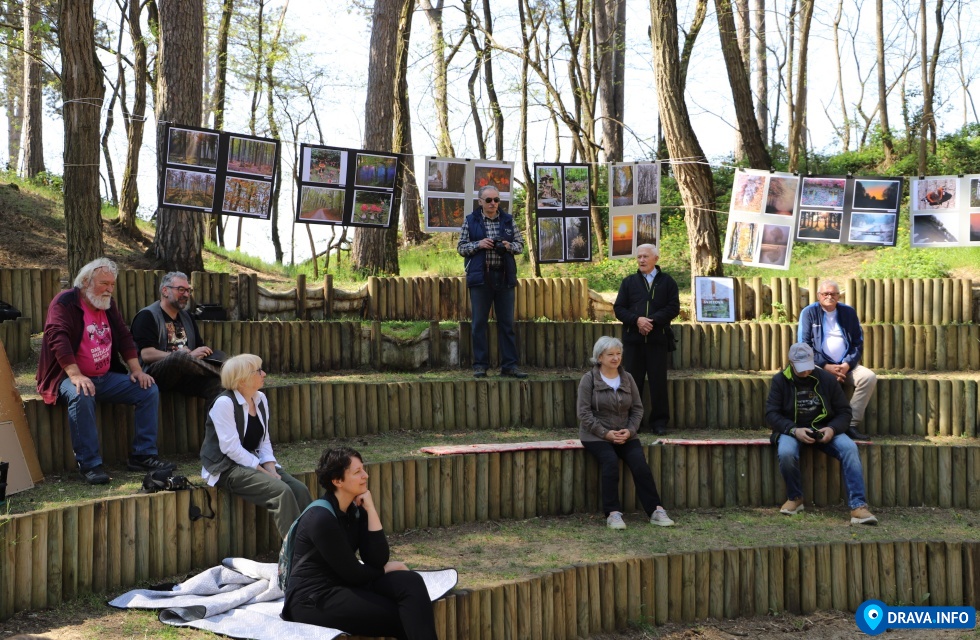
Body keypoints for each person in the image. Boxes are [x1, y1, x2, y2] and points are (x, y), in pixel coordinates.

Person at [36, 258, 175, 485]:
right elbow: (58, 339)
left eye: (112, 284)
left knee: (147, 389)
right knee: (81, 393)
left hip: (104, 377)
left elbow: (124, 336)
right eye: (104, 283)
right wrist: (76, 375)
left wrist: (137, 370)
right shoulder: (64, 302)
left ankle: (143, 455)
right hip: (65, 376)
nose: (109, 289)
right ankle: (90, 464)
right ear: (85, 282)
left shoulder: (108, 304)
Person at [281, 447, 438, 639]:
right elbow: (354, 574)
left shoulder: (353, 510)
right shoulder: (321, 518)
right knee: (404, 615)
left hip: (342, 585)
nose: (366, 475)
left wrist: (370, 509)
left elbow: (377, 558)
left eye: (363, 469)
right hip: (312, 599)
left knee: (411, 581)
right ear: (337, 481)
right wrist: (388, 569)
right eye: (357, 472)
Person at [200, 354, 312, 538]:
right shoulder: (224, 403)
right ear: (242, 379)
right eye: (259, 371)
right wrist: (264, 472)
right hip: (226, 466)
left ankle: (315, 543)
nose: (264, 374)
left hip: (252, 460)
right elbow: (231, 449)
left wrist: (271, 468)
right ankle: (294, 551)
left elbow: (264, 440)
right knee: (281, 492)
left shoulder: (260, 399)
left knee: (300, 490)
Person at [767, 343, 878, 526]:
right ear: (791, 363)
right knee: (786, 452)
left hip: (825, 428)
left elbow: (844, 412)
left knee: (849, 448)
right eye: (801, 367)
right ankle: (795, 497)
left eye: (808, 366)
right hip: (793, 430)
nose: (805, 371)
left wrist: (832, 429)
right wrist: (794, 430)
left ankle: (858, 506)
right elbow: (772, 414)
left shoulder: (827, 379)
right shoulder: (780, 380)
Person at [577, 336, 675, 529]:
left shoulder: (628, 378)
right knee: (610, 461)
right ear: (599, 357)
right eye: (610, 354)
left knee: (640, 464)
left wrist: (629, 431)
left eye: (618, 354)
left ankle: (656, 510)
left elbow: (637, 409)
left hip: (625, 434)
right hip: (595, 435)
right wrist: (605, 433)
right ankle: (613, 513)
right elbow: (583, 413)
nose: (616, 358)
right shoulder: (588, 379)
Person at [457, 185, 527, 379]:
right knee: (479, 323)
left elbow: (521, 245)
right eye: (488, 200)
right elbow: (461, 248)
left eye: (496, 200)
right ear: (480, 201)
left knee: (507, 324)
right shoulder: (470, 220)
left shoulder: (508, 220)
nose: (493, 203)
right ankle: (480, 366)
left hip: (504, 277)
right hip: (480, 278)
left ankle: (509, 366)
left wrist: (508, 245)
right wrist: (478, 244)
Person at [613, 243, 680, 435]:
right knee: (632, 383)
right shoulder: (629, 282)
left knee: (658, 382)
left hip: (658, 340)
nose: (641, 260)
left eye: (645, 256)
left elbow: (673, 307)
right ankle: (633, 422)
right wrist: (637, 320)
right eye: (639, 257)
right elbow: (619, 308)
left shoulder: (667, 282)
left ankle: (659, 422)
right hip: (633, 341)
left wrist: (652, 321)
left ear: (655, 259)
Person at [797, 279, 877, 440]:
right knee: (813, 377)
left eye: (833, 294)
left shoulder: (848, 312)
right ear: (818, 295)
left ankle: (850, 424)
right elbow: (804, 345)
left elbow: (857, 343)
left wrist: (847, 364)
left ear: (839, 296)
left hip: (846, 366)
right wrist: (826, 366)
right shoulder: (809, 312)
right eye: (825, 294)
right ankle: (819, 424)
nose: (829, 297)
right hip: (819, 365)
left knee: (868, 377)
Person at [131, 271, 223, 402]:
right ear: (165, 291)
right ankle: (227, 372)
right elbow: (146, 355)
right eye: (181, 289)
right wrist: (187, 356)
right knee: (179, 357)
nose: (186, 294)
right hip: (155, 375)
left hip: (186, 374)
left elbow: (198, 348)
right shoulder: (147, 316)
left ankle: (213, 417)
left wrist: (201, 353)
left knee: (218, 383)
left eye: (188, 290)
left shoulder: (188, 317)